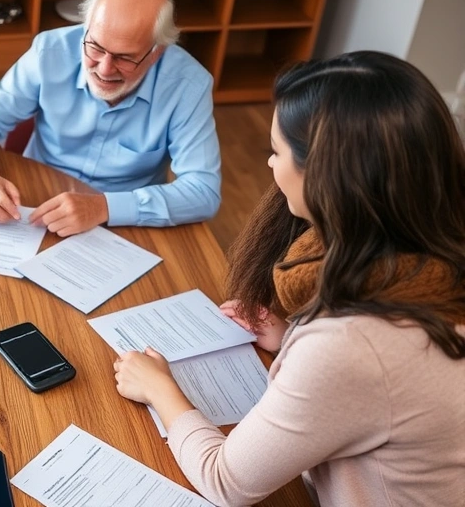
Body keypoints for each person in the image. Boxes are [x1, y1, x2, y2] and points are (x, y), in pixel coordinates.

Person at [113, 51, 465, 506]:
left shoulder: (355, 343)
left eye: (276, 151)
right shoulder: (432, 254)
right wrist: (292, 336)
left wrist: (159, 388)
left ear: (326, 177)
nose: (270, 166)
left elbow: (225, 482)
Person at [0, 0, 221, 237]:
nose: (104, 68)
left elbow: (203, 191)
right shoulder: (49, 51)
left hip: (129, 221)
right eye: (96, 47)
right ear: (87, 26)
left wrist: (102, 207)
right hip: (35, 201)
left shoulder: (189, 86)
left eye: (125, 58)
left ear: (156, 52)